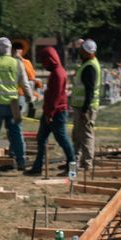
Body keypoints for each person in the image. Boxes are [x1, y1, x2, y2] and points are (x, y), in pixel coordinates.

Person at [0, 37, 31, 171]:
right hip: (13, 105)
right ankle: (21, 161)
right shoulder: (17, 63)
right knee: (17, 133)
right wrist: (30, 98)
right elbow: (24, 83)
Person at [28, 43, 73, 176]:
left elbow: (56, 96)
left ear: (50, 59)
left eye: (44, 61)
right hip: (49, 112)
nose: (43, 64)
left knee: (62, 139)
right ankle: (37, 167)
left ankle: (72, 166)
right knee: (41, 139)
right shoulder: (55, 72)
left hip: (56, 112)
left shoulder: (58, 74)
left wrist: (50, 113)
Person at [72, 38, 102, 171]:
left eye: (82, 50)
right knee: (78, 135)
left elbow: (89, 90)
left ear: (87, 52)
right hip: (82, 106)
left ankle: (87, 163)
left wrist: (85, 109)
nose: (80, 52)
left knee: (86, 135)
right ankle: (75, 162)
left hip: (86, 107)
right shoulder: (88, 64)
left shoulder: (90, 67)